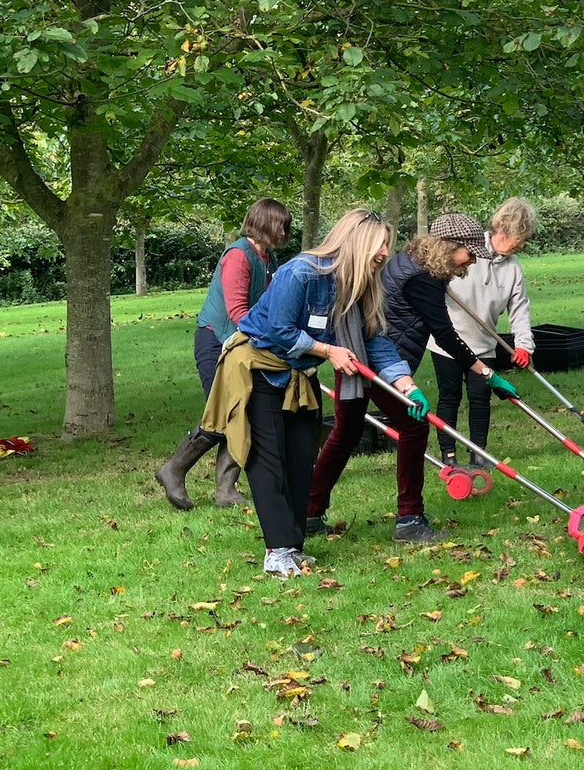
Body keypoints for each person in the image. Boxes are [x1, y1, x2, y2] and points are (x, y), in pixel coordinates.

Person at [206, 208, 423, 579]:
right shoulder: (301, 272)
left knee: (301, 458)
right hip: (258, 370)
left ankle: (292, 547)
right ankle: (276, 553)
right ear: (356, 242)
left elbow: (376, 340)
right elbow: (276, 330)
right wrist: (327, 351)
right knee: (269, 461)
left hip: (298, 374)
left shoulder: (362, 283)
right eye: (380, 244)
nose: (386, 252)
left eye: (388, 244)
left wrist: (407, 386)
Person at [305, 213, 517, 544]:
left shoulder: (412, 261)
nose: (473, 260)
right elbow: (445, 334)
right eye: (470, 253)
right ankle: (410, 519)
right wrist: (486, 373)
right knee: (413, 426)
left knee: (346, 432)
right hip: (378, 359)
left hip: (359, 351)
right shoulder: (422, 279)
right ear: (451, 247)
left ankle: (309, 512)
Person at [155, 198, 291, 511]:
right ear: (263, 223)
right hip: (216, 341)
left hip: (244, 344)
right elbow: (238, 312)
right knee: (222, 413)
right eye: (280, 224)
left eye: (286, 224)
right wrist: (268, 339)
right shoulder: (239, 256)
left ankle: (226, 490)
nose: (284, 230)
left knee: (244, 412)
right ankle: (173, 469)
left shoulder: (267, 258)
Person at [431, 197, 537, 467]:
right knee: (450, 396)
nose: (522, 245)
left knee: (481, 398)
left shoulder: (513, 268)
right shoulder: (467, 251)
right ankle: (449, 454)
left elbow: (519, 308)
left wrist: (524, 344)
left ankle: (479, 453)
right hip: (447, 342)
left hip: (484, 344)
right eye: (520, 238)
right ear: (503, 231)